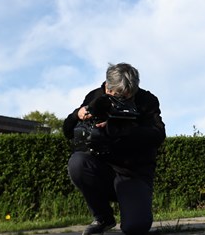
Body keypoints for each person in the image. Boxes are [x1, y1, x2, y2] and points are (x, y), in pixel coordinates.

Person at [62, 63, 165, 235]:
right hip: (103, 170)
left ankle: (132, 207)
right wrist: (76, 115)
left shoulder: (147, 100)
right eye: (122, 95)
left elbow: (158, 134)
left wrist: (123, 130)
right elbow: (67, 131)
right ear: (108, 89)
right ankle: (103, 218)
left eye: (131, 94)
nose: (127, 98)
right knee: (77, 163)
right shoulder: (94, 96)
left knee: (135, 228)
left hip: (134, 174)